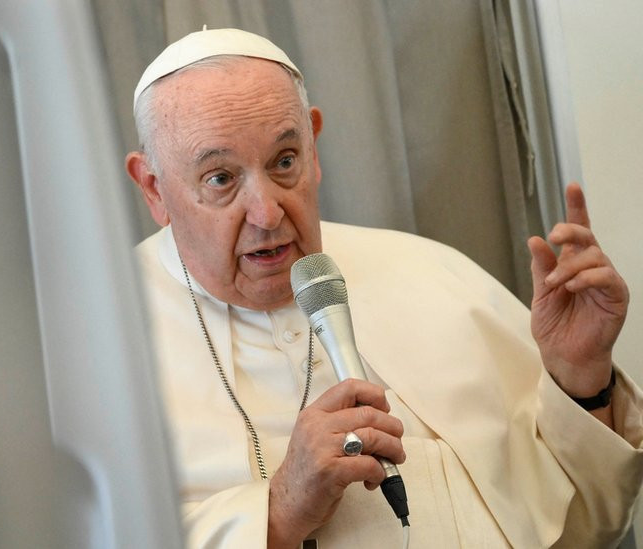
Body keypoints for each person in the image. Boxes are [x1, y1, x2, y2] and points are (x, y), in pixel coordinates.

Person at [124, 28, 643, 548]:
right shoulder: (99, 347)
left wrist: (580, 377)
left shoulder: (430, 272)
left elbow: (588, 526)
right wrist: (279, 512)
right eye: (221, 179)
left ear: (314, 144)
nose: (267, 212)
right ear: (154, 188)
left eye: (285, 162)